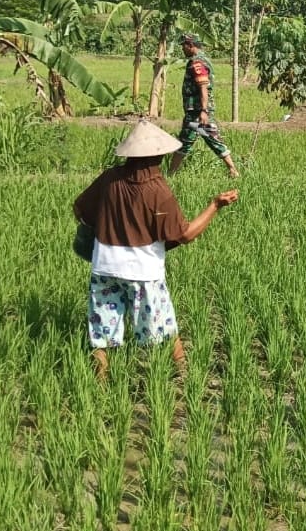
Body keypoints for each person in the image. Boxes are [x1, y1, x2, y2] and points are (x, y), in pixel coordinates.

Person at [73, 119, 239, 380]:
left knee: (102, 330)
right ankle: (186, 376)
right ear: (157, 155)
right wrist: (215, 205)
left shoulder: (109, 179)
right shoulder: (157, 190)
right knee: (164, 326)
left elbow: (80, 208)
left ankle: (100, 383)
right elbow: (184, 234)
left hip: (104, 266)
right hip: (143, 272)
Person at [169, 33, 239, 178]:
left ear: (191, 45)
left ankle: (233, 170)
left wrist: (204, 110)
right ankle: (171, 173)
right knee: (194, 140)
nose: (183, 49)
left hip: (197, 111)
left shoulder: (197, 63)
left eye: (184, 46)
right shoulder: (203, 59)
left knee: (206, 139)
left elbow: (203, 87)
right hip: (195, 111)